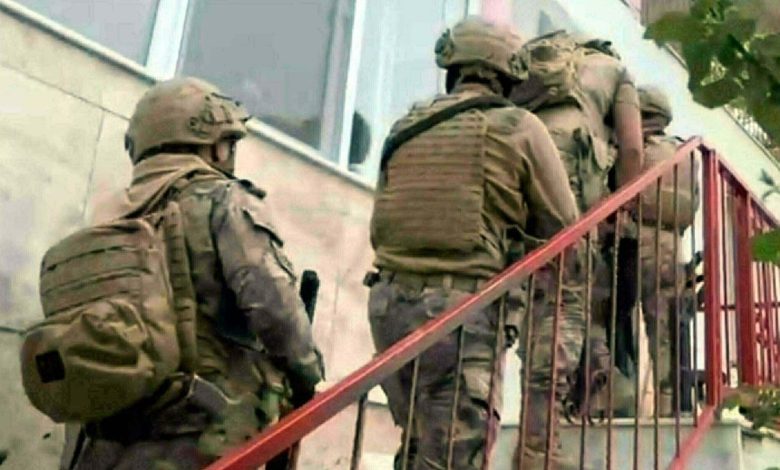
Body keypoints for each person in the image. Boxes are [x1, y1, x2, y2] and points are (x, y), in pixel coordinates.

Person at [67, 77, 324, 469]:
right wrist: (308, 374)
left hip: (107, 440)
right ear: (211, 144)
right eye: (229, 142)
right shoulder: (223, 201)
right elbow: (276, 311)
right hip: (198, 432)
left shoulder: (107, 218)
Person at [365, 17, 582, 470]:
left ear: (454, 67)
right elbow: (566, 226)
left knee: (418, 443)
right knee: (455, 454)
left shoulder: (407, 124)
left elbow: (380, 223)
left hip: (388, 307)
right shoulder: (519, 126)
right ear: (509, 74)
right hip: (460, 313)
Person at [511, 30, 644, 423]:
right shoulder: (615, 70)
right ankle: (542, 428)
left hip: (519, 167)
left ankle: (535, 407)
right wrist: (620, 207)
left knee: (531, 294)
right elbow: (633, 149)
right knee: (567, 301)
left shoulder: (536, 64)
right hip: (572, 180)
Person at [633, 85, 698, 416]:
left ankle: (613, 398)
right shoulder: (684, 153)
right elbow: (693, 203)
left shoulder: (636, 148)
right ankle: (671, 406)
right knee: (667, 330)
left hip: (637, 239)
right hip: (674, 245)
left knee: (609, 317)